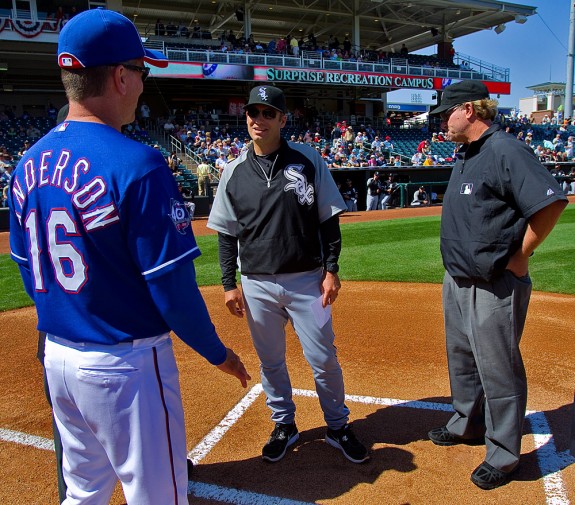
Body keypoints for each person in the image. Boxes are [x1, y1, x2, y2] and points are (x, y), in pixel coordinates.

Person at [8, 9, 250, 504]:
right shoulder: (138, 163)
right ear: (119, 76)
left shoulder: (27, 162)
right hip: (126, 363)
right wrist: (216, 352)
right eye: (141, 71)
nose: (143, 83)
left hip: (58, 355)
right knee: (160, 497)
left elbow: (24, 264)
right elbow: (172, 288)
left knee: (83, 492)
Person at [207, 85, 369, 465]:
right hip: (257, 283)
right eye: (252, 112)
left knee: (323, 357)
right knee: (271, 361)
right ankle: (284, 424)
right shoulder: (232, 171)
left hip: (307, 280)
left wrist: (332, 270)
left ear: (282, 119)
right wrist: (229, 284)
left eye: (267, 113)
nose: (258, 119)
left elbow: (328, 218)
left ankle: (337, 425)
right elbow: (227, 234)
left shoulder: (307, 159)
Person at [427, 80, 567, 490]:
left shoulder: (506, 149)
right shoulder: (467, 155)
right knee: (463, 360)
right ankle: (467, 423)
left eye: (446, 113)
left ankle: (504, 455)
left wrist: (521, 255)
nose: (441, 123)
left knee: (498, 369)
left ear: (469, 110)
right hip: (457, 278)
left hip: (494, 283)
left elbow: (551, 202)